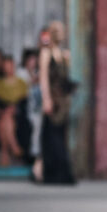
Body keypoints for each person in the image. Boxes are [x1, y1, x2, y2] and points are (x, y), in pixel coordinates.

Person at [39, 20, 76, 185]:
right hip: (52, 101)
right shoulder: (45, 53)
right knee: (51, 137)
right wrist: (46, 99)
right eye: (58, 31)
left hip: (62, 102)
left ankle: (60, 173)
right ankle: (53, 173)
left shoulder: (63, 54)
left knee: (59, 136)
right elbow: (43, 78)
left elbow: (64, 79)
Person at [0, 55, 29, 166]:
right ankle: (14, 146)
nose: (9, 68)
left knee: (4, 120)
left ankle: (5, 153)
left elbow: (24, 100)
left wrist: (14, 108)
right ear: (3, 68)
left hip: (18, 113)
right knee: (4, 119)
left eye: (11, 66)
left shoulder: (21, 83)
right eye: (6, 66)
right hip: (4, 113)